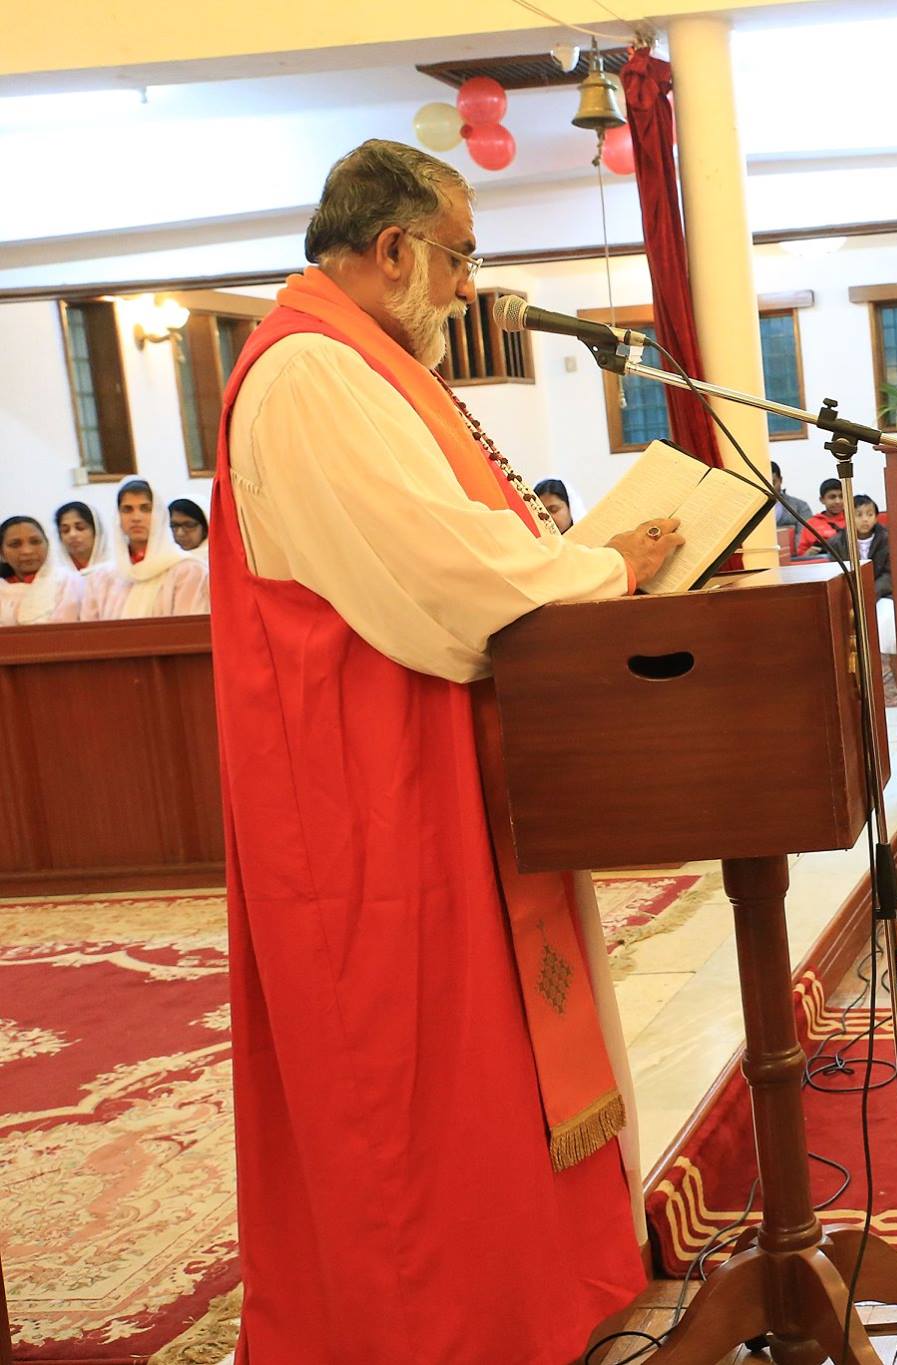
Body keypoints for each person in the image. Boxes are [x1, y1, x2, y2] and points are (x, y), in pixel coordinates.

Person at [210, 139, 676, 1364]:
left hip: (424, 751)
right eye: (461, 258)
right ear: (394, 248)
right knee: (405, 1074)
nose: (469, 288)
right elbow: (442, 571)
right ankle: (435, 1331)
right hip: (365, 783)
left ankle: (524, 1301)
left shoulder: (362, 363)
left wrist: (586, 565)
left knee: (481, 1060)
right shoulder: (311, 373)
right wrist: (604, 569)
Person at [84, 479, 210, 619]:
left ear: (160, 514)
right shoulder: (102, 578)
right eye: (127, 510)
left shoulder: (188, 571)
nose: (136, 518)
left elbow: (189, 626)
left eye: (146, 509)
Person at [826, 493, 895, 655]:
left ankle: (883, 658)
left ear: (876, 517)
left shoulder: (888, 539)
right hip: (849, 597)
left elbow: (890, 574)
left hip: (882, 594)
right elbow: (835, 574)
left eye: (870, 514)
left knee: (885, 617)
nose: (865, 520)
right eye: (859, 515)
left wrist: (870, 593)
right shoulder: (836, 543)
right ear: (848, 517)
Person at [0, 515, 89, 625]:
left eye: (35, 542)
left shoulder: (69, 582)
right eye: (15, 545)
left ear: (47, 545)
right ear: (2, 554)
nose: (27, 551)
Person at [54, 499, 119, 578]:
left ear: (96, 532)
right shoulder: (55, 574)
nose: (72, 534)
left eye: (80, 528)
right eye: (65, 530)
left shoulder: (118, 568)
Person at [795, 477, 847, 556]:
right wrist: (810, 553)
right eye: (832, 497)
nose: (838, 501)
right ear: (822, 500)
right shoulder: (811, 524)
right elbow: (801, 556)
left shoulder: (853, 519)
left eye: (841, 496)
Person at [771, 461, 814, 531]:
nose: (770, 488)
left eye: (773, 483)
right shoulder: (753, 507)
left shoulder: (801, 507)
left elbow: (805, 533)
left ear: (780, 480)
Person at [168, 497, 210, 561]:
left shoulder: (218, 560)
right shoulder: (163, 559)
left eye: (189, 525)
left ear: (205, 528)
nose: (180, 533)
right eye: (174, 525)